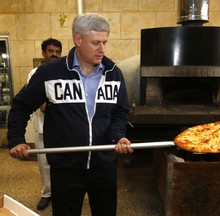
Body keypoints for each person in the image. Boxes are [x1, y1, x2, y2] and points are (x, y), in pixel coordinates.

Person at [8, 13, 133, 216]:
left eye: (104, 42)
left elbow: (120, 111)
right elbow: (21, 106)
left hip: (104, 166)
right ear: (78, 39)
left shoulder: (113, 72)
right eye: (96, 43)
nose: (102, 49)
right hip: (66, 168)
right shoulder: (50, 73)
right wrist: (16, 139)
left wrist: (118, 135)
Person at [27, 38, 62, 210]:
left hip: (61, 129)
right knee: (44, 164)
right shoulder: (35, 73)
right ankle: (47, 193)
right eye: (50, 51)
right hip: (41, 128)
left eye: (57, 51)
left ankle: (61, 193)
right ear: (43, 53)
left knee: (62, 162)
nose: (54, 54)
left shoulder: (64, 72)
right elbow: (41, 106)